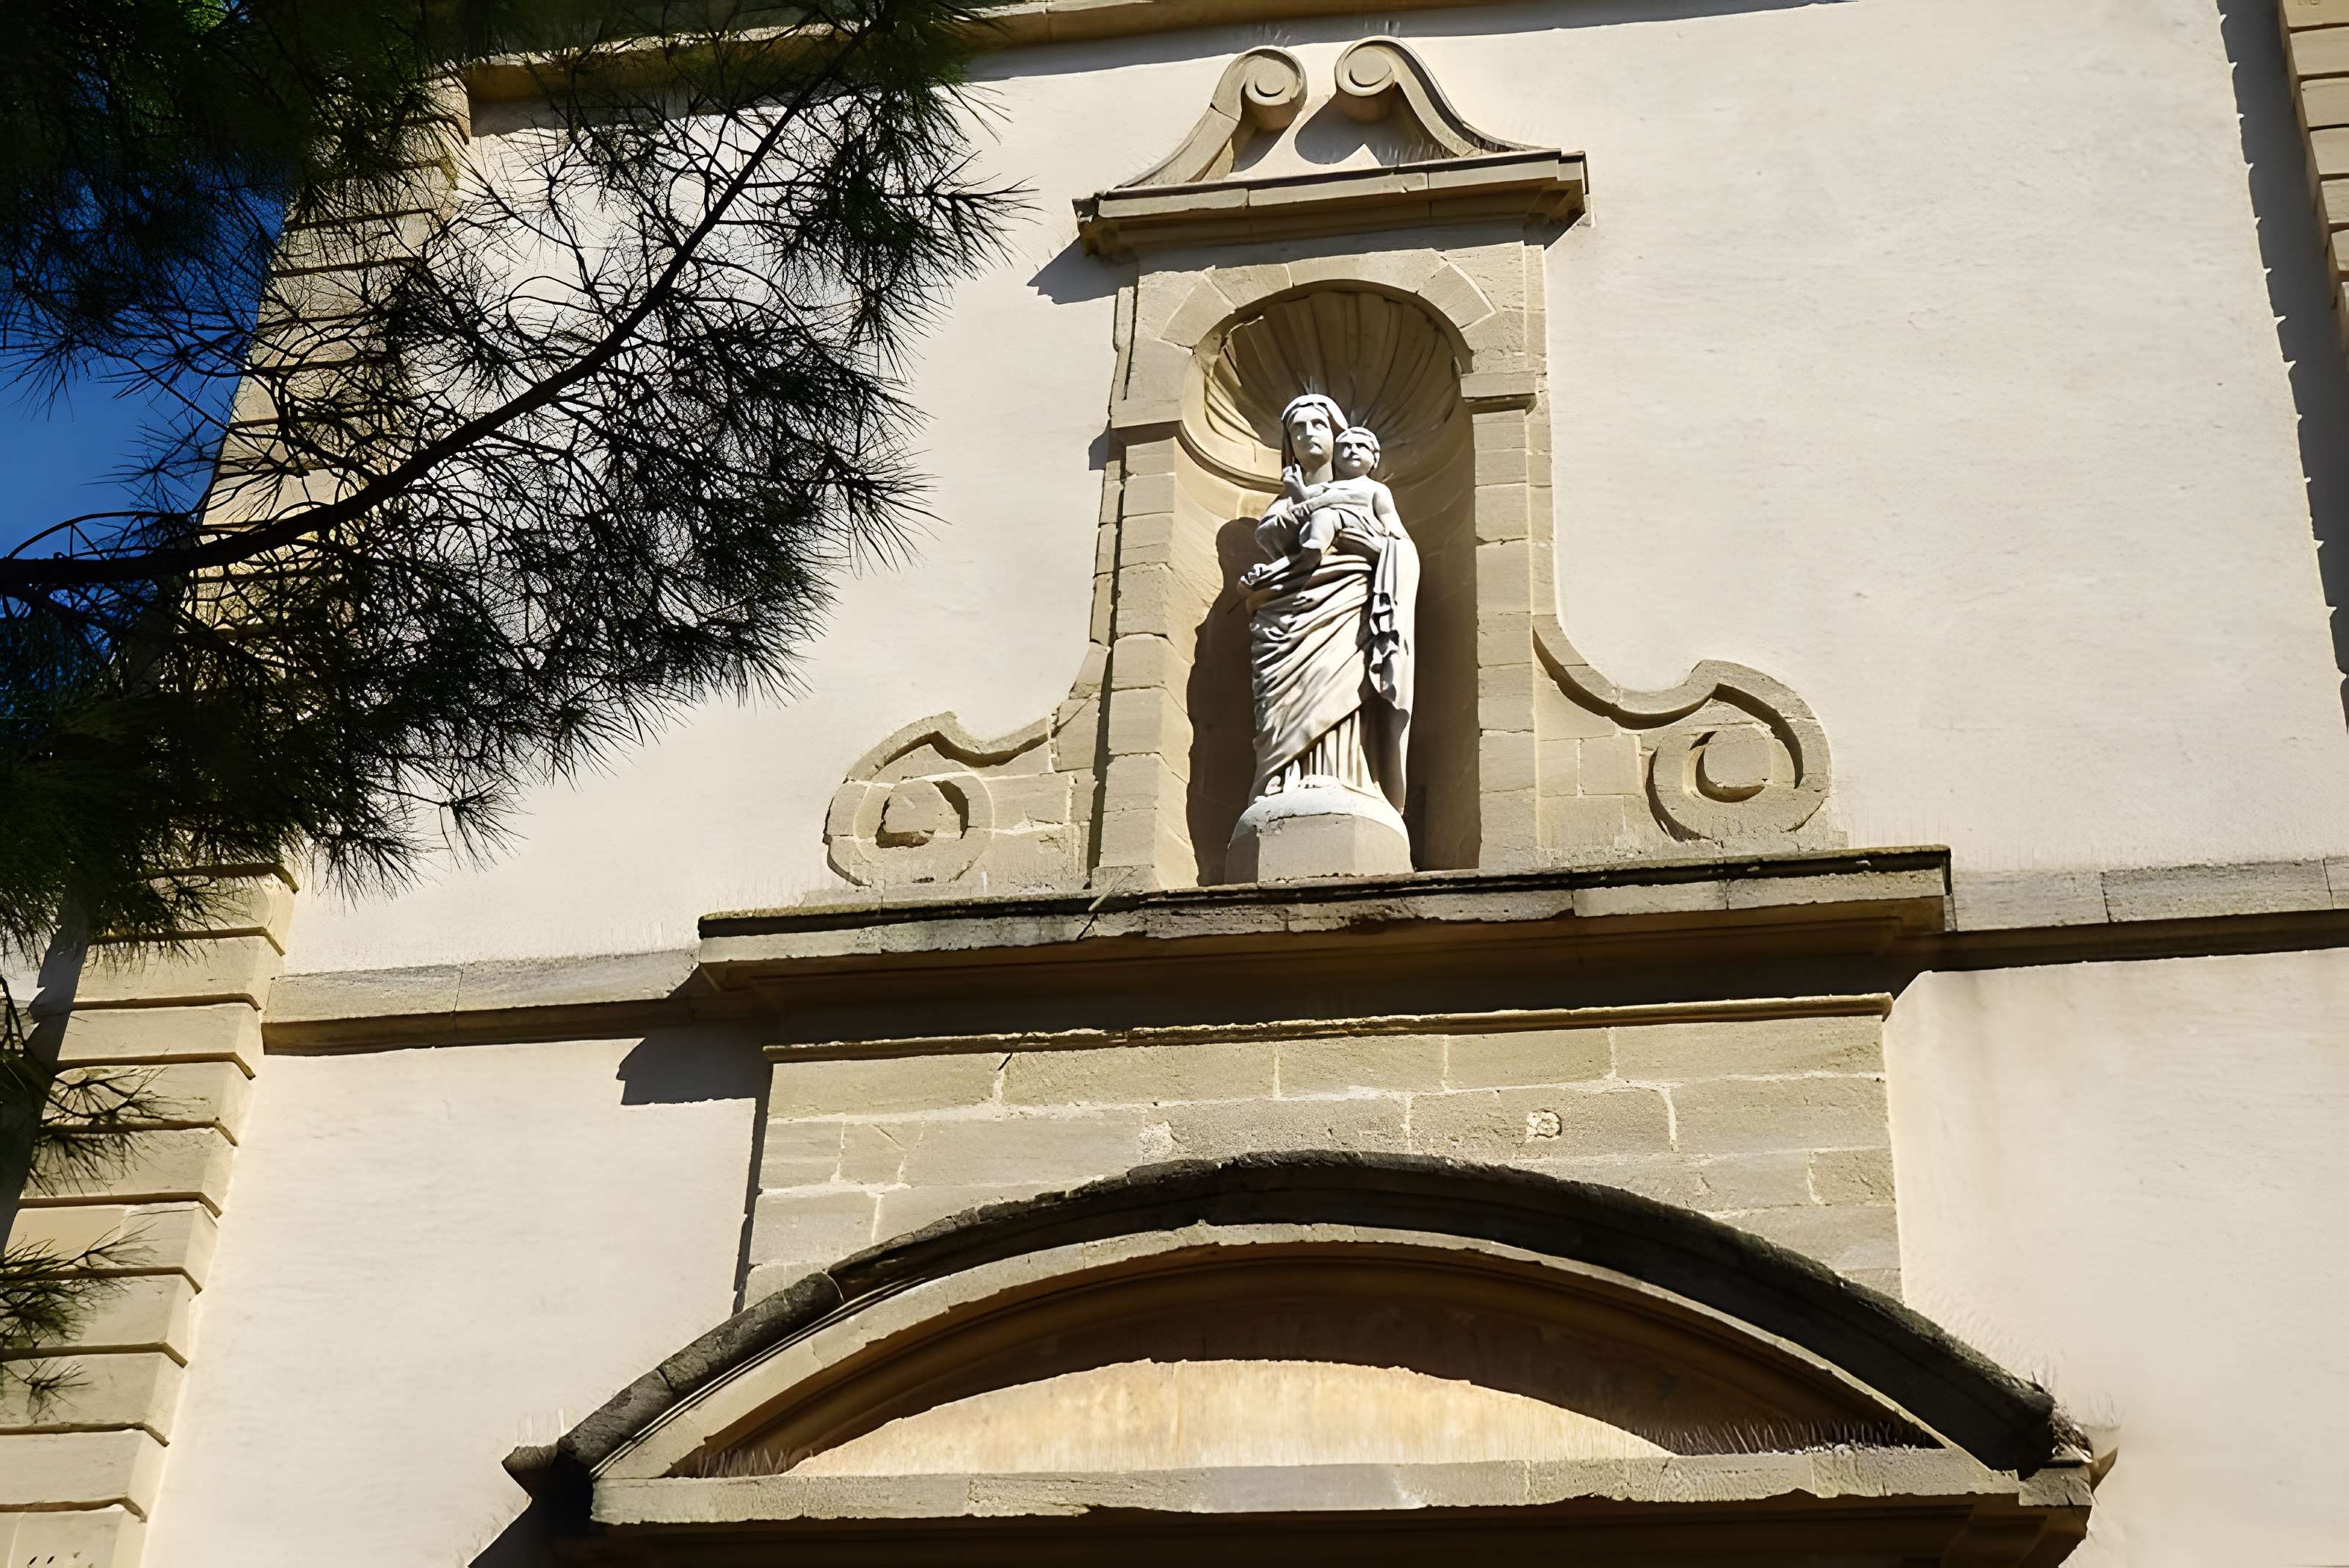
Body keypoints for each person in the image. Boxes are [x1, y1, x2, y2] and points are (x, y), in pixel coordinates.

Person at [1238, 396, 1420, 818]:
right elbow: (1269, 535)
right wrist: (1303, 504)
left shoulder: (1369, 491)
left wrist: (1371, 545)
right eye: (1297, 429)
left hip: (1346, 602)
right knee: (1286, 696)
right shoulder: (1291, 497)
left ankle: (1345, 776)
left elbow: (1400, 544)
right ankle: (1283, 779)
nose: (1307, 435)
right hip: (1288, 611)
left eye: (1317, 425)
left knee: (1337, 680)